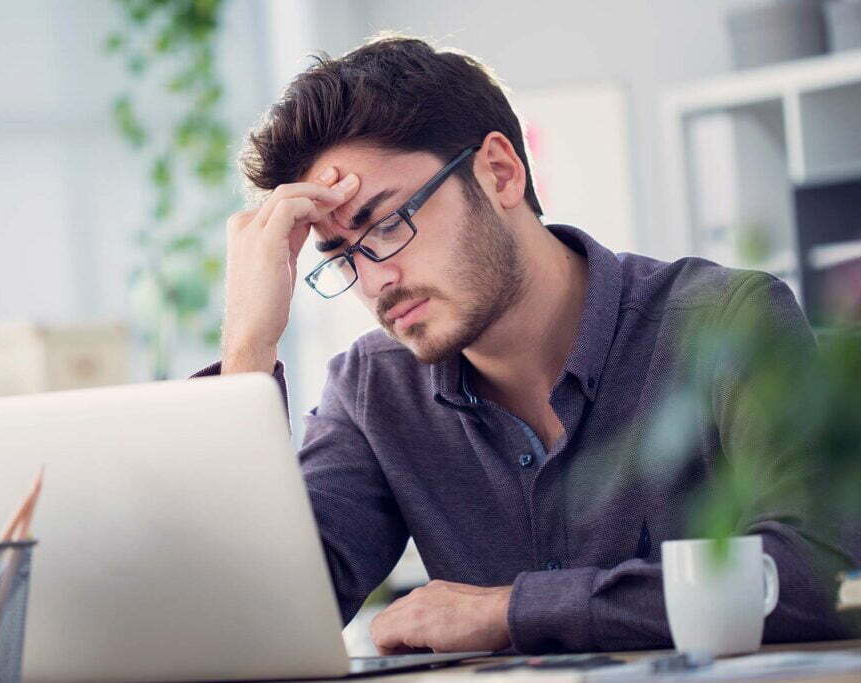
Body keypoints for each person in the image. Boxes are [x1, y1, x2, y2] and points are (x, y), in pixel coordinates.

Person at [195, 36, 852, 654]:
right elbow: (254, 623)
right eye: (342, 258)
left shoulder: (727, 321)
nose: (375, 282)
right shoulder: (372, 389)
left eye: (389, 224)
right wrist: (249, 345)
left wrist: (510, 610)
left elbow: (805, 577)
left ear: (500, 172)